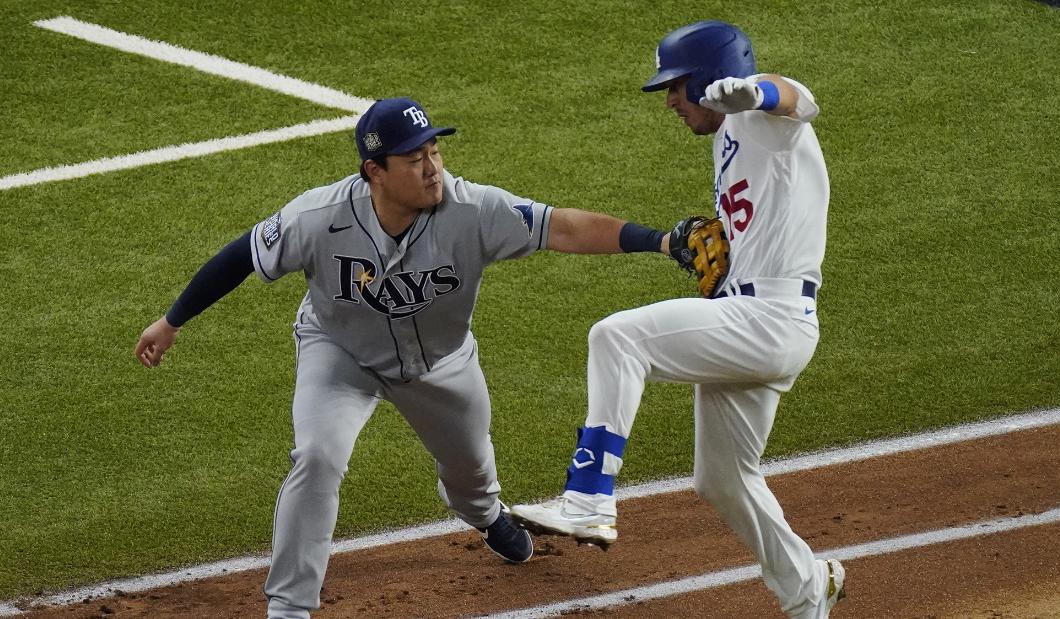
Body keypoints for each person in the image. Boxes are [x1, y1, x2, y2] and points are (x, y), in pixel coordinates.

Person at [134, 97, 670, 619]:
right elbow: (243, 254)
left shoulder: (474, 209)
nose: (433, 167)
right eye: (415, 159)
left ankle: (486, 517)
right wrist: (172, 320)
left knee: (471, 473)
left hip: (442, 361)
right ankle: (290, 606)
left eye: (435, 151)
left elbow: (565, 227)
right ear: (375, 170)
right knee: (318, 457)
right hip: (339, 352)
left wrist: (661, 242)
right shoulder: (319, 215)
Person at [509, 21, 846, 618]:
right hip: (748, 312)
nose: (669, 100)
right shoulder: (726, 142)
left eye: (678, 86)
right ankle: (808, 589)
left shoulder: (766, 121)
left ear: (715, 77)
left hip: (770, 316)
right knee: (723, 479)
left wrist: (756, 93)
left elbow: (797, 98)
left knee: (617, 337)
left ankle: (588, 498)